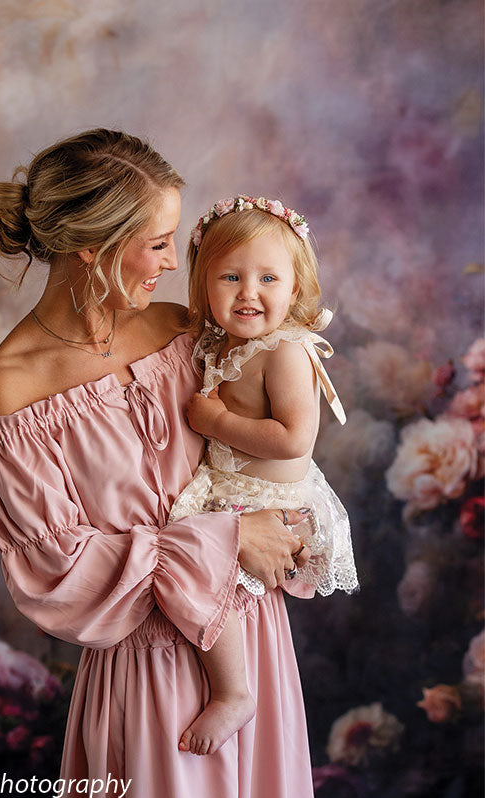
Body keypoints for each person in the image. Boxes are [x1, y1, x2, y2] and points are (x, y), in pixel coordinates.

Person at [0, 129, 317, 798]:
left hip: (249, 634)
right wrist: (231, 537)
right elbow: (56, 566)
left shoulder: (182, 328)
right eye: (156, 243)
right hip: (150, 667)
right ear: (92, 247)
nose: (169, 262)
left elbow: (269, 432)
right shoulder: (8, 388)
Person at [168, 195, 359, 757]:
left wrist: (219, 420)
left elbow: (295, 438)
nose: (249, 293)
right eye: (230, 276)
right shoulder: (217, 344)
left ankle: (234, 692)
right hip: (233, 489)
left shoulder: (284, 351)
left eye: (268, 278)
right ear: (204, 286)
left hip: (271, 499)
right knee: (191, 551)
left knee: (209, 567)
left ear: (294, 290)